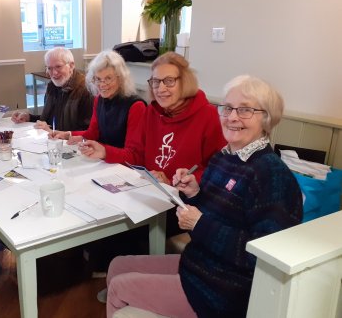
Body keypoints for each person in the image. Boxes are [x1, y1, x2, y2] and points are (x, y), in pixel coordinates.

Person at [104, 75, 303, 318]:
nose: (232, 117)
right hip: (198, 266)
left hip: (223, 291)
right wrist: (194, 194)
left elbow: (264, 257)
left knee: (118, 288)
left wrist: (200, 224)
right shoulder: (224, 157)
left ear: (267, 118)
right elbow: (215, 214)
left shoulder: (272, 175)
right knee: (117, 265)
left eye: (246, 110)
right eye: (228, 108)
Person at [84, 51, 226, 239]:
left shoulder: (208, 116)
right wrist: (105, 152)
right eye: (156, 82)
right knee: (99, 216)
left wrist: (173, 180)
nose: (160, 88)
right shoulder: (152, 112)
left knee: (121, 235)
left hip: (182, 202)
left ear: (185, 81)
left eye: (169, 81)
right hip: (148, 192)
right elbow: (135, 155)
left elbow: (219, 171)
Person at [52, 50, 146, 164]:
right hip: (104, 163)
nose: (102, 84)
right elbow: (93, 132)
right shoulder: (99, 99)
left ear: (121, 78)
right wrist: (68, 135)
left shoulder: (136, 106)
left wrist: (105, 152)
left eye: (108, 78)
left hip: (125, 169)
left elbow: (134, 156)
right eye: (97, 79)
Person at [11, 47, 94, 132]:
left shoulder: (85, 90)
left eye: (58, 66)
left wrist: (51, 131)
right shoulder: (52, 86)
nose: (54, 73)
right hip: (52, 140)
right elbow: (50, 118)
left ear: (71, 66)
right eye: (49, 68)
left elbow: (87, 132)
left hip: (70, 143)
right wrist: (29, 117)